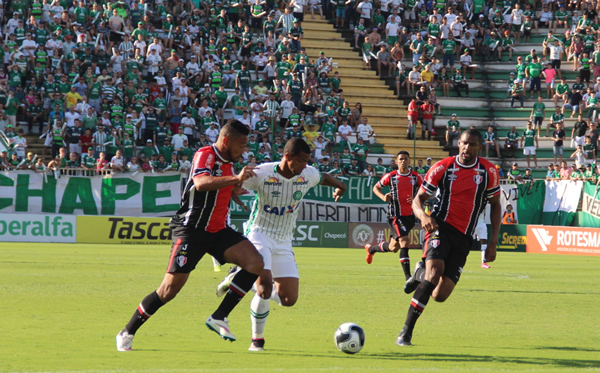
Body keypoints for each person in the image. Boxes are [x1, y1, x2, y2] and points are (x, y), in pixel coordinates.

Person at [116, 120, 265, 351]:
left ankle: (219, 317)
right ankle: (128, 330)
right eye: (241, 144)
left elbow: (218, 187)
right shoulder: (206, 154)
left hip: (217, 231)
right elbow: (201, 182)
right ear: (226, 141)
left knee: (255, 263)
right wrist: (235, 180)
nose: (244, 150)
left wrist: (233, 190)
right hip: (191, 230)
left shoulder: (229, 163)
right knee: (168, 291)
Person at [216, 138, 347, 352]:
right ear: (288, 157)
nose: (305, 165)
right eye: (302, 161)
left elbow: (324, 178)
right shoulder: (262, 172)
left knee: (288, 299)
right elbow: (233, 184)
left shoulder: (308, 174)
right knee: (265, 286)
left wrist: (341, 186)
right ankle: (257, 340)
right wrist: (234, 190)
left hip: (284, 239)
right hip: (259, 233)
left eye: (307, 161)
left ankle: (238, 278)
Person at [396, 129, 501, 346]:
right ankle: (405, 332)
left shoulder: (488, 171)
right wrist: (423, 216)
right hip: (439, 227)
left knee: (439, 295)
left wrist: (492, 243)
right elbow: (417, 200)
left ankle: (418, 271)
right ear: (458, 144)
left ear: (479, 148)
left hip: (464, 238)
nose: (466, 148)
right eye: (463, 143)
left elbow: (496, 205)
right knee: (434, 274)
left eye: (472, 144)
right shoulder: (443, 167)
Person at [364, 151, 422, 283]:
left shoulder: (415, 177)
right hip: (395, 215)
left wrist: (417, 198)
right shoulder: (391, 176)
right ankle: (408, 278)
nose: (403, 161)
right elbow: (376, 188)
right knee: (405, 241)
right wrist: (383, 196)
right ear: (397, 162)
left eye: (405, 159)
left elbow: (426, 190)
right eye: (400, 159)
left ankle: (371, 249)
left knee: (393, 247)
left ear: (409, 161)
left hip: (410, 216)